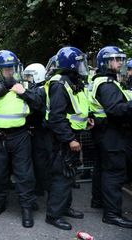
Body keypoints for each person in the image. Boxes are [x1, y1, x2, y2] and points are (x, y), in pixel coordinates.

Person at [0, 50, 39, 228]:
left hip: (21, 135)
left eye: (12, 68)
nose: (9, 72)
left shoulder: (25, 86)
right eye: (5, 69)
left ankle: (26, 208)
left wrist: (24, 93)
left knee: (24, 174)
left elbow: (40, 105)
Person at [45, 47, 89, 230]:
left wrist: (88, 119)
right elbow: (56, 117)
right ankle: (53, 215)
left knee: (69, 175)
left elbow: (73, 110)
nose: (82, 66)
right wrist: (70, 139)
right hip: (62, 139)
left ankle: (65, 207)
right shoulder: (59, 84)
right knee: (61, 177)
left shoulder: (70, 82)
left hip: (68, 135)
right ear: (71, 65)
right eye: (79, 62)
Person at [89, 46, 132, 228]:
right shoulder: (106, 83)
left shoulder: (104, 81)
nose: (119, 62)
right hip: (111, 133)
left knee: (102, 168)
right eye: (115, 59)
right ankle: (112, 214)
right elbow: (115, 109)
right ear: (105, 62)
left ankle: (98, 201)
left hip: (103, 131)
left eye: (120, 59)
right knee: (113, 172)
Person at [23, 63, 51, 196]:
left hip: (40, 131)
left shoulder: (40, 90)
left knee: (40, 161)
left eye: (29, 76)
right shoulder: (43, 88)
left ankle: (40, 187)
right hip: (39, 130)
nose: (27, 79)